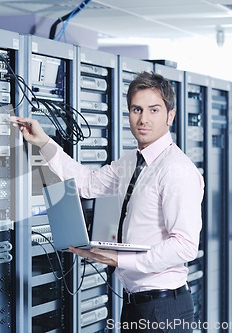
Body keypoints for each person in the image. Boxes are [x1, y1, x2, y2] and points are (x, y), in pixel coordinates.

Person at [12, 71, 204, 332]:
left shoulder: (177, 170)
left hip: (163, 307)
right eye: (137, 109)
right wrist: (44, 142)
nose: (143, 119)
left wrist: (119, 259)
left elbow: (184, 246)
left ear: (170, 115)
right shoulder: (131, 162)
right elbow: (87, 183)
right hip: (136, 302)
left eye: (154, 110)